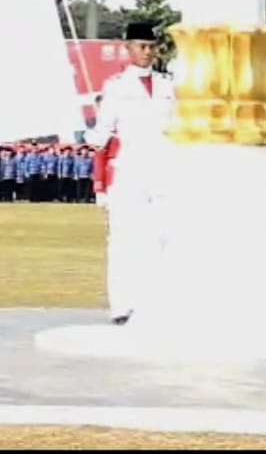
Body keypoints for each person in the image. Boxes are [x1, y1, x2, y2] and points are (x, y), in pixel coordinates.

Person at [84, 20, 174, 327]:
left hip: (163, 169)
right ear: (128, 48)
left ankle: (157, 302)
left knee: (162, 237)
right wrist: (91, 137)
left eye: (151, 47)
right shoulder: (116, 87)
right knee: (124, 238)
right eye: (141, 46)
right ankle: (122, 305)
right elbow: (103, 132)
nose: (147, 52)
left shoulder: (168, 85)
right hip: (130, 169)